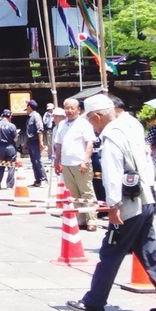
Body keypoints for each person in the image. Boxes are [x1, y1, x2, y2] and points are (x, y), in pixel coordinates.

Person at [67, 92, 156, 311]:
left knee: (110, 252)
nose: (91, 125)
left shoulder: (111, 137)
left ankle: (94, 302)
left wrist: (113, 205)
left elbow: (113, 173)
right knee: (150, 252)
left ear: (98, 116)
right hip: (146, 198)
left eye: (91, 120)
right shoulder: (131, 127)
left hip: (128, 204)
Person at [54, 97, 98, 231]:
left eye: (72, 108)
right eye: (66, 108)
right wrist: (57, 160)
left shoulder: (84, 124)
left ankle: (92, 220)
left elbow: (89, 143)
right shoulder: (62, 125)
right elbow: (58, 144)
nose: (69, 111)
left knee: (86, 192)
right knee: (73, 194)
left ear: (78, 110)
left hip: (80, 163)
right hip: (66, 164)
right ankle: (80, 219)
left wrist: (85, 160)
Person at [0, 110, 19, 190]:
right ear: (10, 116)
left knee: (0, 166)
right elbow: (15, 139)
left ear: (1, 115)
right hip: (10, 147)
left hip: (0, 147)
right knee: (11, 166)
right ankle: (9, 186)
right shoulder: (12, 126)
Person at [24, 100, 45, 185]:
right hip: (30, 141)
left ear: (29, 107)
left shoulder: (36, 116)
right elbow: (29, 131)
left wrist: (41, 142)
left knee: (37, 161)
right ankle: (37, 179)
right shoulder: (30, 117)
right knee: (33, 161)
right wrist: (26, 142)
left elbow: (40, 130)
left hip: (35, 141)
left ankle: (43, 179)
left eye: (27, 106)